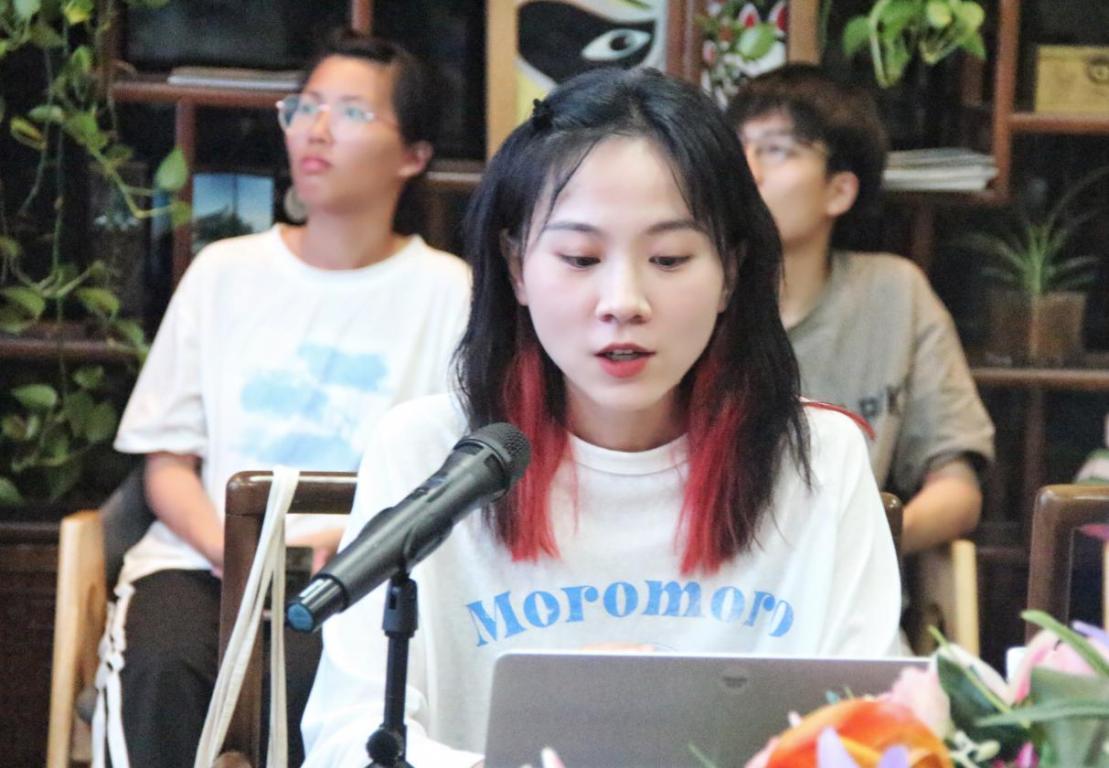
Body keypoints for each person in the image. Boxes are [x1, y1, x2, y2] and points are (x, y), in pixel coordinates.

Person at [301, 66, 902, 768]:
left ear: (731, 272)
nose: (623, 302)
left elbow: (878, 732)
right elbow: (348, 740)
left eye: (669, 258)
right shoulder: (429, 450)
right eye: (581, 257)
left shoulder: (818, 457)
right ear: (517, 267)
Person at [92, 32, 471, 768]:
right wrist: (230, 553)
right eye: (304, 107)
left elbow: (446, 477)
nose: (316, 129)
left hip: (355, 574)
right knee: (163, 668)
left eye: (351, 112)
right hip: (200, 562)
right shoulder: (224, 271)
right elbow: (167, 462)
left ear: (414, 155)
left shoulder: (448, 291)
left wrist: (353, 549)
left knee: (313, 686)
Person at [725, 64, 995, 555]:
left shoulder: (894, 293)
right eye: (736, 148)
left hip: (855, 581)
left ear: (839, 190)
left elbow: (957, 488)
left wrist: (855, 555)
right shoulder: (694, 298)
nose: (747, 172)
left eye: (777, 150)